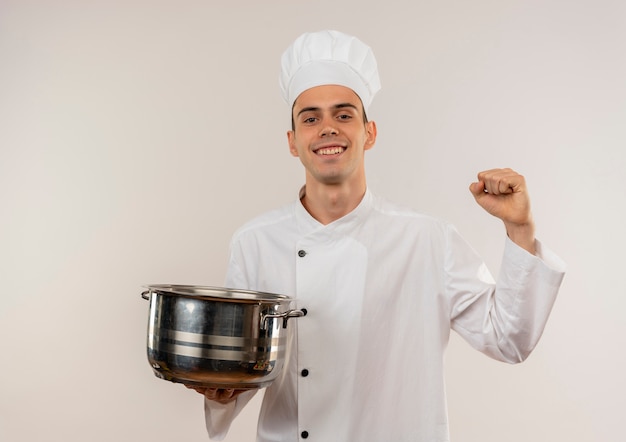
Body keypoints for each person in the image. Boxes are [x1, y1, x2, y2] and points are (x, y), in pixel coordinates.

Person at [188, 30, 566, 441]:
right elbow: (241, 371)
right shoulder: (255, 241)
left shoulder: (427, 239)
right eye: (310, 118)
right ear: (293, 142)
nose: (327, 128)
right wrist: (221, 389)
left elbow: (509, 340)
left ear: (369, 132)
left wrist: (520, 228)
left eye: (344, 114)